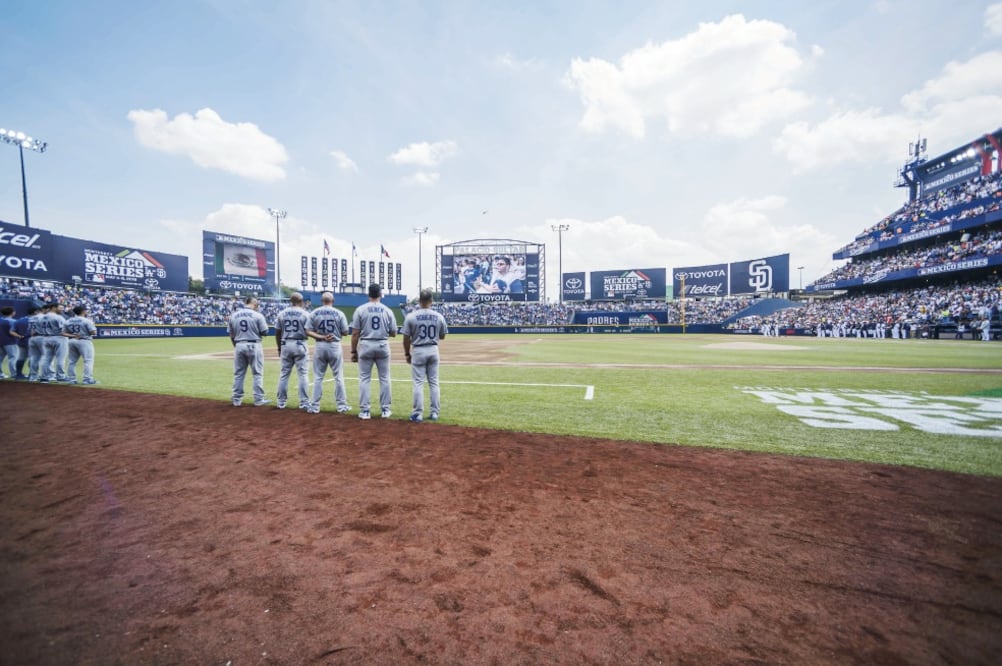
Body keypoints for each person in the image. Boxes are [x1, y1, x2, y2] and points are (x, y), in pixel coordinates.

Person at [401, 289, 448, 422]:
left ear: (419, 301)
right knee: (434, 383)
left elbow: (405, 338)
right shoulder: (439, 316)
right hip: (433, 349)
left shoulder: (411, 316)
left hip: (418, 350)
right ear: (431, 301)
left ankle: (418, 413)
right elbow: (443, 336)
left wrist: (407, 353)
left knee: (418, 383)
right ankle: (434, 413)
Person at [350, 283, 396, 419]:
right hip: (382, 344)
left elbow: (355, 333)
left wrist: (353, 351)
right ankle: (385, 410)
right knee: (385, 378)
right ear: (380, 294)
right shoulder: (387, 310)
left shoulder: (360, 310)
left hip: (366, 345)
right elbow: (393, 333)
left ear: (368, 294)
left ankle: (365, 411)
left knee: (364, 379)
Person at [305, 291, 351, 414]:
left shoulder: (314, 312)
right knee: (338, 377)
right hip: (335, 345)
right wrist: (334, 334)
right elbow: (346, 332)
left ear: (321, 300)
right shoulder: (339, 313)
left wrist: (321, 336)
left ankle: (314, 406)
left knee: (318, 377)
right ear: (333, 301)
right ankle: (341, 406)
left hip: (320, 345)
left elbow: (308, 331)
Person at [228, 296, 270, 406]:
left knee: (239, 374)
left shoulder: (234, 315)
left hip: (239, 345)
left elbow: (231, 335)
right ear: (254, 303)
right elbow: (265, 332)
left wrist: (236, 346)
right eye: (257, 304)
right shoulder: (258, 315)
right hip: (254, 344)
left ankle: (236, 400)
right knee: (257, 373)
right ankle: (258, 399)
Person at [275, 292, 311, 409]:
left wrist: (279, 347)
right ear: (301, 302)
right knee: (303, 374)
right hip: (300, 343)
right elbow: (308, 331)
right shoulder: (305, 314)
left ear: (291, 301)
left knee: (284, 374)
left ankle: (281, 402)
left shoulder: (282, 313)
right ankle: (304, 402)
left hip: (285, 343)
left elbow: (278, 333)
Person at [64, 304, 100, 385]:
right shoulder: (87, 320)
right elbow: (93, 332)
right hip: (84, 341)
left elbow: (63, 333)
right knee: (88, 360)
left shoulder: (68, 320)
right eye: (85, 310)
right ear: (83, 311)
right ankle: (87, 379)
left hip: (72, 341)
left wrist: (73, 335)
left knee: (71, 361)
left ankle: (72, 379)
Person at [37, 302, 71, 383]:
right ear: (53, 307)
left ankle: (44, 377)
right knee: (61, 358)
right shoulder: (58, 317)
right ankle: (60, 376)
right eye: (60, 308)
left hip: (46, 338)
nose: (62, 310)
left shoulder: (42, 317)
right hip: (59, 338)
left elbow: (38, 329)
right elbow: (65, 330)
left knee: (46, 359)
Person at [12, 306, 34, 380]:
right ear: (35, 312)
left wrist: (19, 336)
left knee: (21, 358)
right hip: (32, 341)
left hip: (21, 341)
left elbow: (12, 331)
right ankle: (32, 375)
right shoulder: (36, 320)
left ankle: (18, 374)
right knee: (32, 358)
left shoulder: (20, 320)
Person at [0, 306, 17, 379]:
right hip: (10, 341)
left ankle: (0, 374)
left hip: (1, 341)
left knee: (0, 358)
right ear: (12, 313)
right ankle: (14, 374)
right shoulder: (13, 321)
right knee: (12, 358)